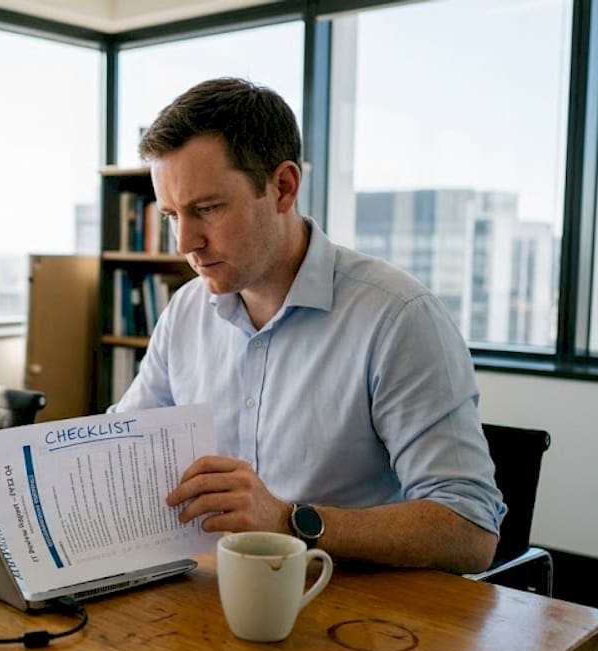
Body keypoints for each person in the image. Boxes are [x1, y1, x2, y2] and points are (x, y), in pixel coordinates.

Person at [111, 77, 505, 575]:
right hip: (212, 591)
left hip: (355, 612)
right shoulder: (185, 310)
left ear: (283, 187)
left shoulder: (397, 316)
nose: (185, 242)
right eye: (170, 215)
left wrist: (286, 520)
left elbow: (468, 530)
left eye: (206, 209)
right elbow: (120, 445)